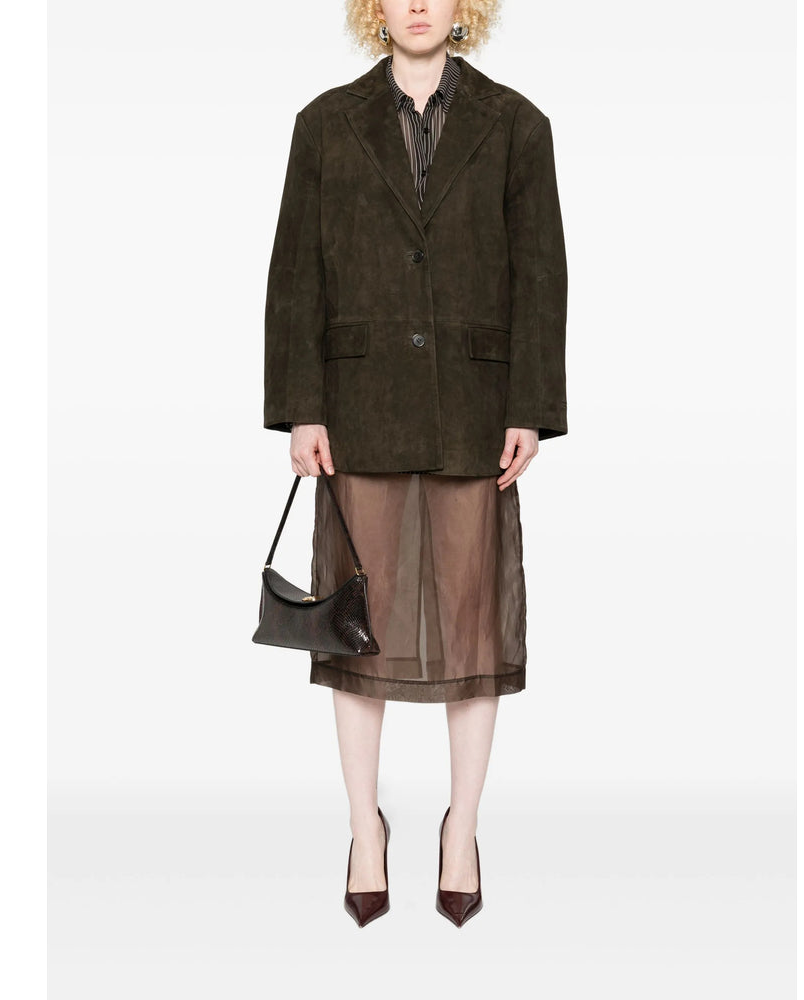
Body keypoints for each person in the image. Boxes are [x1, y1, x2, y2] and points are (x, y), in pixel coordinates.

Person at [263, 0, 567, 927]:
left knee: (474, 630)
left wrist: (530, 407)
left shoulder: (518, 125)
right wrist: (303, 406)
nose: (420, 3)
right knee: (358, 628)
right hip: (360, 410)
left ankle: (461, 828)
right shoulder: (324, 124)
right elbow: (295, 275)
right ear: (375, 8)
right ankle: (366, 828)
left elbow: (540, 273)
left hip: (476, 410)